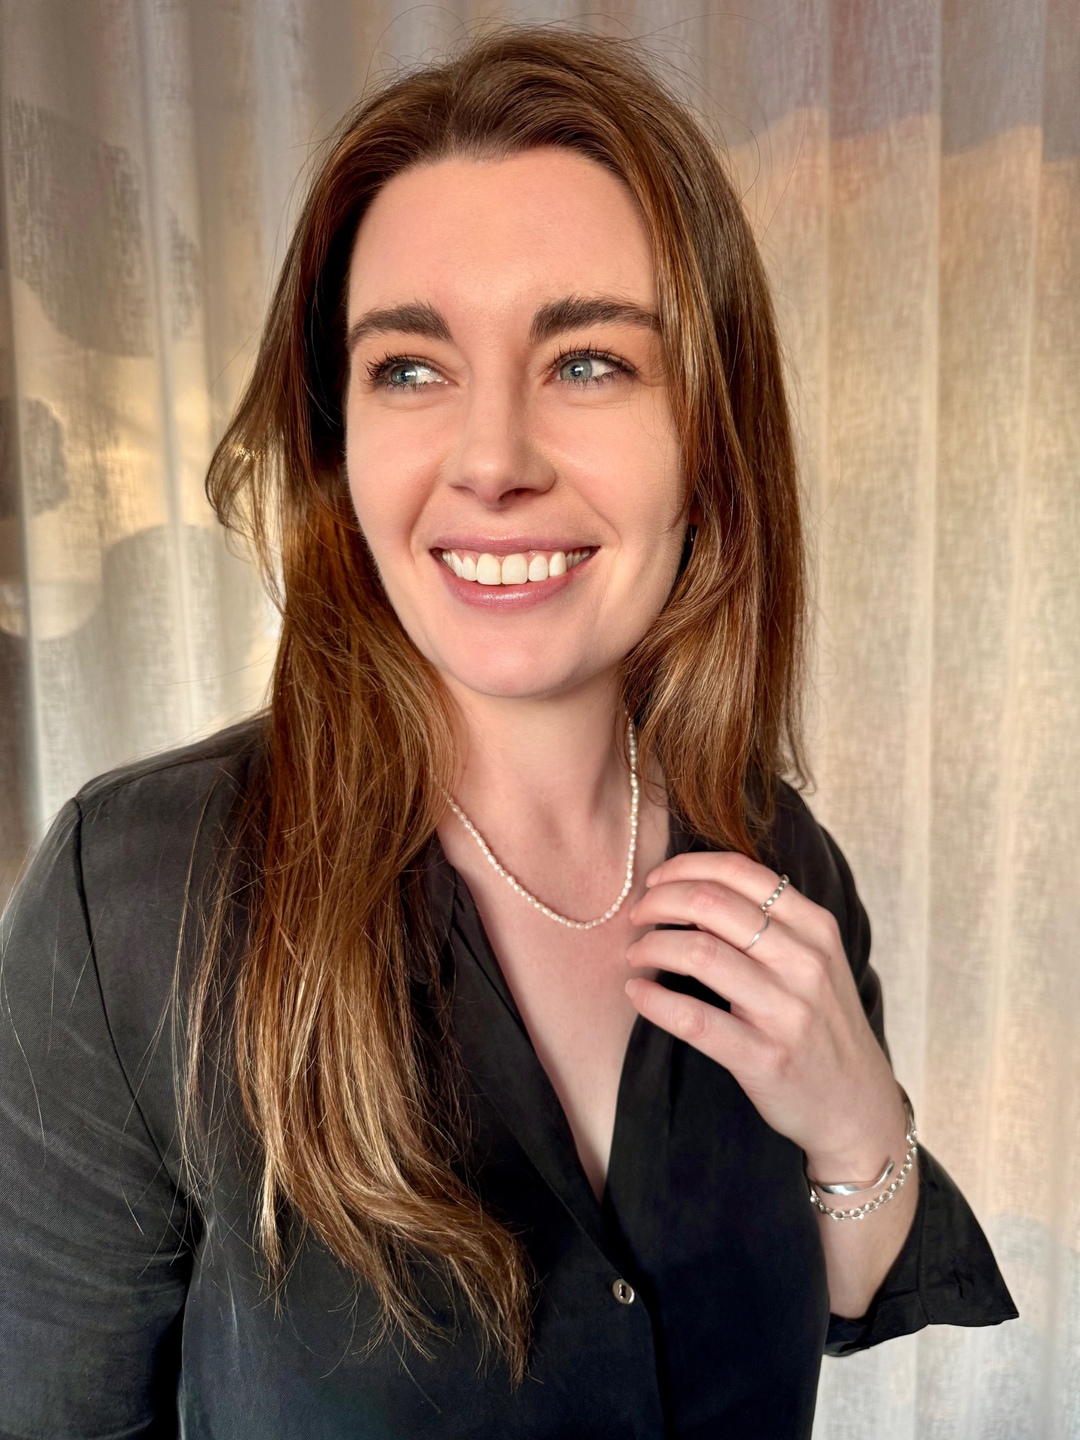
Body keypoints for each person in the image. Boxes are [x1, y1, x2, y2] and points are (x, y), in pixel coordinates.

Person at [0, 26, 1016, 1440]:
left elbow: (845, 1291)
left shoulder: (782, 858)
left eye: (588, 362)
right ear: (335, 443)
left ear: (709, 435)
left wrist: (858, 1127)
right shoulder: (138, 902)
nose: (492, 460)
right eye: (410, 369)